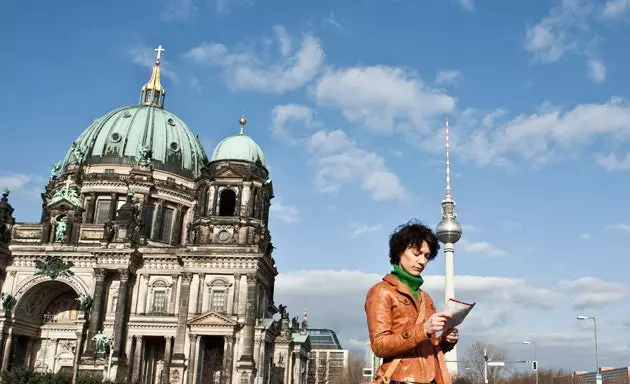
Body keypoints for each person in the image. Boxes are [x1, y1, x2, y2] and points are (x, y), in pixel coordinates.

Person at [365, 220, 459, 384]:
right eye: (416, 254)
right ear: (399, 252)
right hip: (399, 380)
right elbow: (379, 346)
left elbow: (428, 350)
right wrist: (423, 329)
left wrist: (445, 341)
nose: (422, 261)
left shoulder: (426, 298)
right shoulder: (381, 291)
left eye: (427, 256)